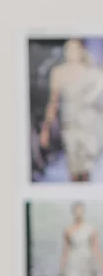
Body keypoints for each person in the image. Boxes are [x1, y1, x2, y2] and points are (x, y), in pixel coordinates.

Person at [39, 39, 103, 182]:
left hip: (89, 125)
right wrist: (46, 129)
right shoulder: (59, 72)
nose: (71, 53)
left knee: (86, 168)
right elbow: (53, 102)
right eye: (68, 49)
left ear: (81, 51)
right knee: (73, 167)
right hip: (69, 124)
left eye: (75, 49)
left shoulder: (92, 72)